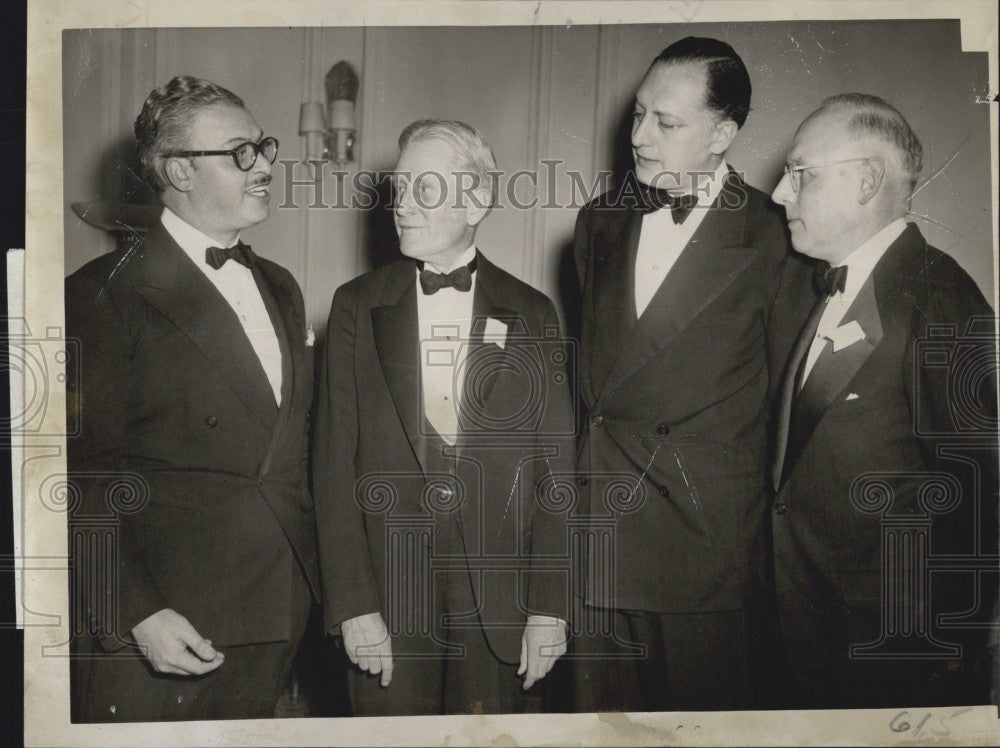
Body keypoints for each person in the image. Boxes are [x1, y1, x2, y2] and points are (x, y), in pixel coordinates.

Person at [65, 75, 319, 721]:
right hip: (166, 623)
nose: (263, 164)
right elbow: (76, 476)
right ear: (178, 170)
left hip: (276, 609)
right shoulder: (102, 292)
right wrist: (136, 611)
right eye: (240, 153)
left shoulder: (282, 286)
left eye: (262, 146)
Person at [312, 119, 575, 716]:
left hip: (502, 616)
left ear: (476, 200)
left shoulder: (532, 312)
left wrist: (549, 608)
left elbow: (556, 473)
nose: (402, 206)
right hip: (386, 611)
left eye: (423, 190)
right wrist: (353, 607)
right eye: (399, 190)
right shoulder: (356, 306)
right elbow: (331, 467)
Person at [571, 36, 801, 711]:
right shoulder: (598, 223)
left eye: (666, 123)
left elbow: (787, 411)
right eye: (638, 114)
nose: (639, 137)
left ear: (722, 134)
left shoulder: (776, 236)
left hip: (707, 560)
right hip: (600, 546)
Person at [767, 93, 998, 708]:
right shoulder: (819, 289)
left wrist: (945, 660)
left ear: (867, 180)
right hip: (811, 637)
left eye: (800, 175)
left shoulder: (939, 297)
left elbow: (978, 495)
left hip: (889, 656)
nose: (779, 195)